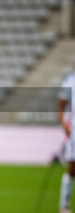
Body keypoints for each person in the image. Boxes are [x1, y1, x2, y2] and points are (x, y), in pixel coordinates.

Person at [58, 72, 75, 213]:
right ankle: (64, 206)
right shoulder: (70, 80)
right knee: (72, 168)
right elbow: (60, 107)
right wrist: (65, 125)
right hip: (74, 132)